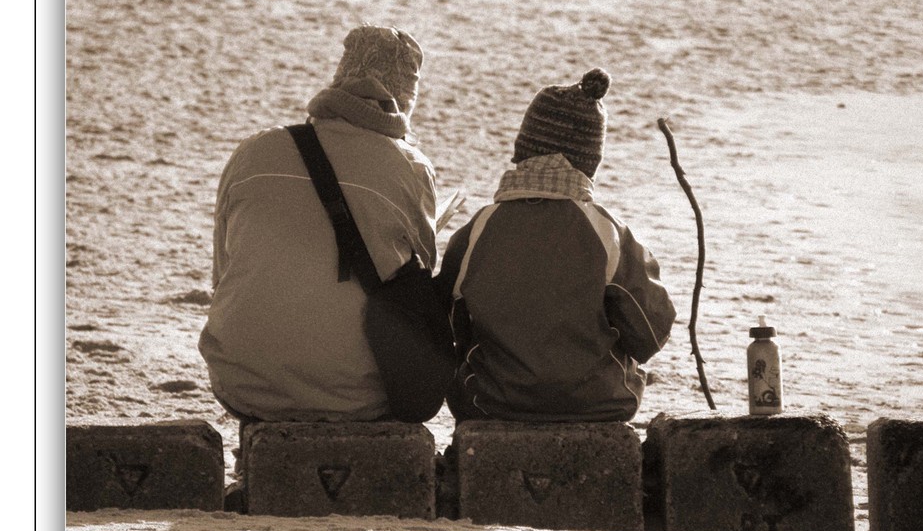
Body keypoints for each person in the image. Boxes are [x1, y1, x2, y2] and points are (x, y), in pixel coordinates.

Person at [199, 25, 439, 425]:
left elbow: (222, 273)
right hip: (352, 395)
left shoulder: (255, 150)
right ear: (404, 101)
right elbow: (418, 281)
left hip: (241, 381)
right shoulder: (411, 168)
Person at [436, 68, 676, 422]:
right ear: (589, 161)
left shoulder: (478, 228)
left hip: (489, 403)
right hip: (599, 404)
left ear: (523, 148)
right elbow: (649, 331)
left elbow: (446, 324)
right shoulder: (606, 230)